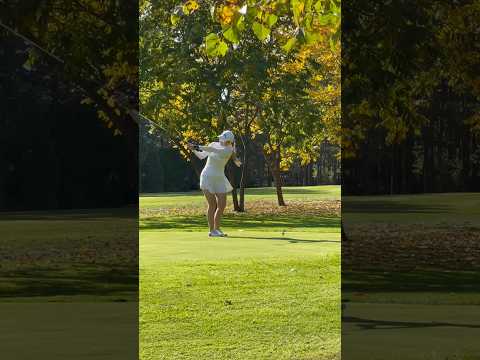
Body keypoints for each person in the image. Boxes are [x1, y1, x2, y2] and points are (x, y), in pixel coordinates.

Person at [187, 130, 242, 237]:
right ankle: (212, 230)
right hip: (207, 176)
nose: (220, 139)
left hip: (220, 177)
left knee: (222, 205)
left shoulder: (228, 150)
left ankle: (217, 229)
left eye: (223, 138)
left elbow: (213, 150)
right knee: (212, 204)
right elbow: (201, 156)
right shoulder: (213, 144)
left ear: (228, 141)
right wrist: (193, 149)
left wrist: (197, 146)